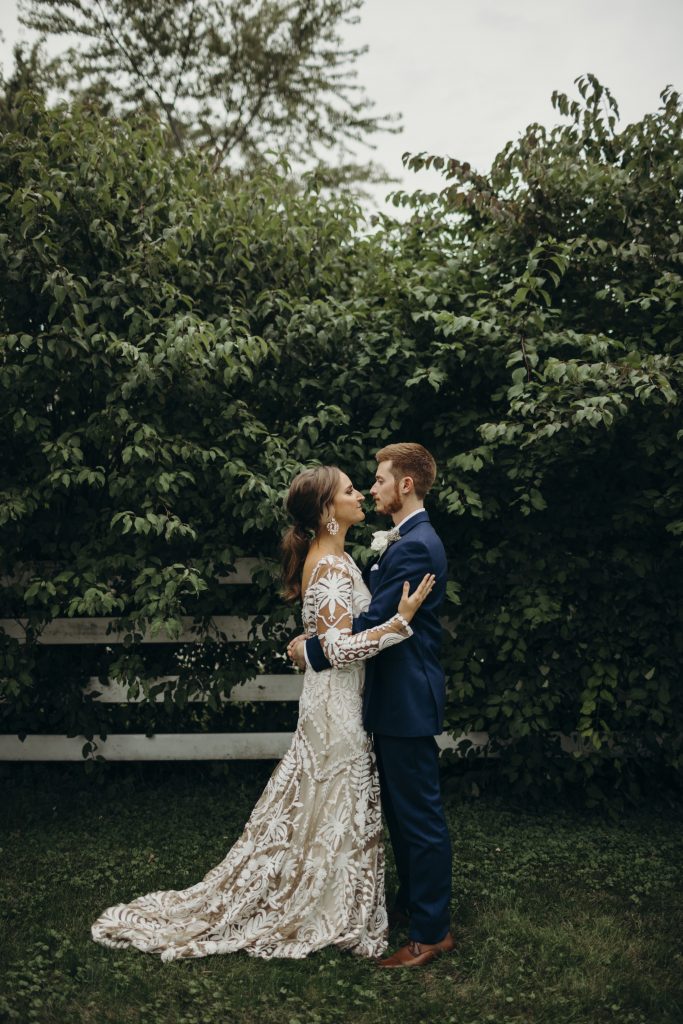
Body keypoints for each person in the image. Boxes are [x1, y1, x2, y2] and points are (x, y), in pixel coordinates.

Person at [91, 464, 434, 961]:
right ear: (326, 510)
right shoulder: (332, 566)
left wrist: (308, 645)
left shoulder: (335, 558)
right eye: (348, 490)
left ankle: (326, 892)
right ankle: (315, 902)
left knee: (326, 804)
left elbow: (325, 638)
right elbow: (338, 649)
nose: (360, 493)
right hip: (336, 707)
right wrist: (399, 624)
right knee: (332, 799)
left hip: (335, 701)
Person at [288, 443, 453, 968]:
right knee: (405, 817)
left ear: (406, 484)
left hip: (404, 699)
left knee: (419, 817)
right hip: (385, 697)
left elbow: (369, 624)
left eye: (379, 479)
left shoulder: (414, 547)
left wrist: (310, 648)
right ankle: (413, 906)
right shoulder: (400, 540)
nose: (371, 486)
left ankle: (431, 933)